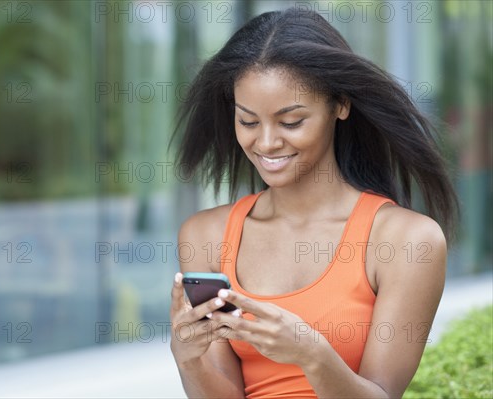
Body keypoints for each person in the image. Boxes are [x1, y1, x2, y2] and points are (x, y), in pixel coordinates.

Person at [168, 7, 459, 399]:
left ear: (340, 105)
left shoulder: (407, 240)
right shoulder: (205, 235)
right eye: (249, 122)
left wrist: (311, 354)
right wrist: (189, 360)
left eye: (291, 122)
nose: (267, 143)